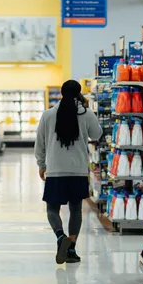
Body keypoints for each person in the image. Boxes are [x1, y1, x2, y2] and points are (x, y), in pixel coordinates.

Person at [34, 80, 102, 264]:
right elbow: (97, 134)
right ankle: (71, 249)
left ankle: (60, 237)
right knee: (75, 209)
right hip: (78, 170)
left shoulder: (48, 115)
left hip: (55, 170)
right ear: (79, 93)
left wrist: (41, 164)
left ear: (62, 93)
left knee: (52, 209)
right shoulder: (85, 113)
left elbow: (39, 143)